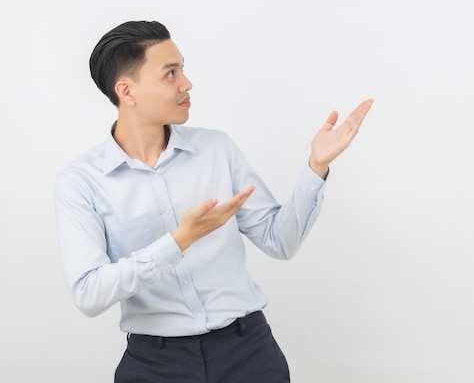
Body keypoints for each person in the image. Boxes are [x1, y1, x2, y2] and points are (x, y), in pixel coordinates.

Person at [54, 20, 373, 382]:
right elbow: (89, 294)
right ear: (127, 91)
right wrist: (180, 240)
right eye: (170, 73)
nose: (186, 83)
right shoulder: (81, 183)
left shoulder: (216, 149)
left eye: (183, 69)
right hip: (154, 365)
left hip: (249, 353)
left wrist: (317, 166)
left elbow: (279, 242)